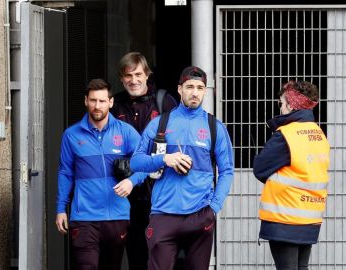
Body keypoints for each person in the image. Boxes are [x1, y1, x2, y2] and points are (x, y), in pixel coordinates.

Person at [130, 66, 234, 270]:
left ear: (205, 91)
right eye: (189, 87)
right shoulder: (159, 124)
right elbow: (136, 162)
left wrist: (213, 208)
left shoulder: (215, 127)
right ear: (179, 89)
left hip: (200, 214)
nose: (195, 92)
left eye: (200, 87)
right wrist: (164, 159)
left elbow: (227, 171)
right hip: (163, 215)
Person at [55, 79, 146, 270]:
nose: (97, 106)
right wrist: (61, 208)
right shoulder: (71, 135)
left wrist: (131, 181)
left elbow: (145, 164)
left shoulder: (126, 132)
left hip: (117, 216)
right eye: (93, 100)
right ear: (86, 101)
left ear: (111, 102)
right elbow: (65, 172)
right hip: (84, 217)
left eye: (102, 101)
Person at [253, 80, 330, 270]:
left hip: (285, 217)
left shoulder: (287, 134)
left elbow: (260, 168)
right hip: (309, 218)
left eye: (281, 103)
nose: (280, 107)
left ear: (291, 105)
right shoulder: (318, 134)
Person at [111, 52, 177, 270]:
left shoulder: (163, 101)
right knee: (135, 253)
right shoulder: (115, 105)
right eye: (128, 75)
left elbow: (178, 137)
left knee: (162, 252)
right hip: (126, 192)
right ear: (121, 78)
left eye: (138, 74)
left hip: (159, 190)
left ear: (147, 75)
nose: (133, 80)